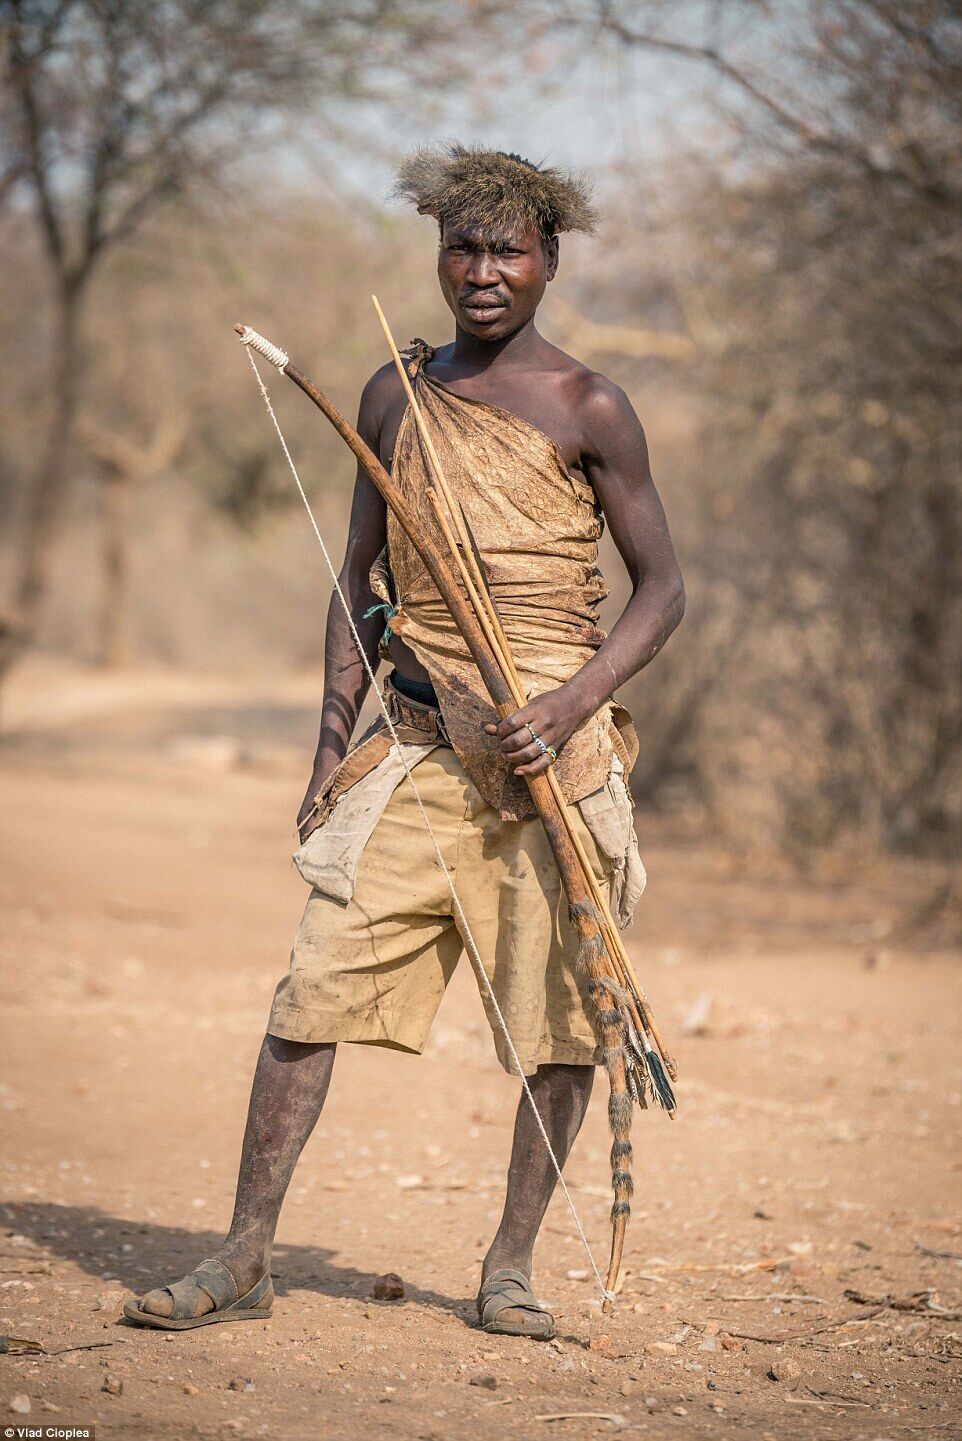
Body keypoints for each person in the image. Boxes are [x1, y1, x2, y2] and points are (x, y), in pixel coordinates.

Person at [125, 144, 685, 1341]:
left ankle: (510, 1266)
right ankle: (243, 1253)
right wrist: (329, 748)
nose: (481, 271)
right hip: (420, 750)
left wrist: (572, 701)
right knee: (308, 992)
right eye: (461, 247)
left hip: (552, 769)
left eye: (506, 250)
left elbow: (662, 592)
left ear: (548, 261)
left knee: (561, 1019)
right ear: (438, 253)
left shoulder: (591, 406)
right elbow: (357, 579)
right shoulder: (394, 390)